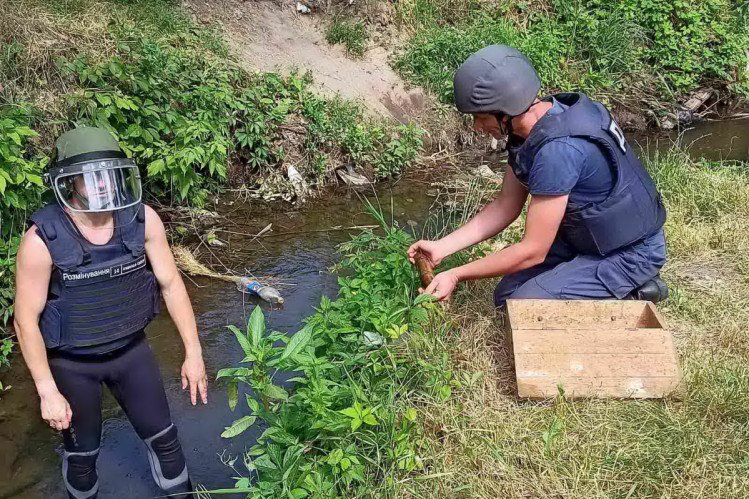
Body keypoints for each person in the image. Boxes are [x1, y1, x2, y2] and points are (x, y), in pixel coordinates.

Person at [13, 127, 208, 498]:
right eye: (89, 176)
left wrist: (193, 351)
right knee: (83, 457)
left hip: (132, 352)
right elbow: (25, 321)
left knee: (167, 442)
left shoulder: (143, 219)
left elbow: (171, 284)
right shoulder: (41, 242)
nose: (101, 184)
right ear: (69, 182)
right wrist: (46, 390)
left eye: (107, 173)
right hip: (72, 365)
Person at [408, 45, 668, 305]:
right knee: (506, 296)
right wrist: (442, 247)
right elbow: (505, 205)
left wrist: (456, 274)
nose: (477, 127)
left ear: (506, 111)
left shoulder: (558, 151)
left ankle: (639, 291)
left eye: (481, 117)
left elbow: (532, 251)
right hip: (588, 238)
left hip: (630, 252)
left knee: (523, 306)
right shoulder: (544, 118)